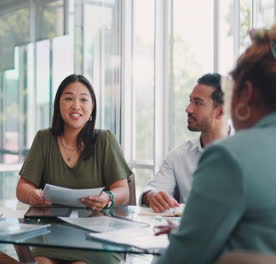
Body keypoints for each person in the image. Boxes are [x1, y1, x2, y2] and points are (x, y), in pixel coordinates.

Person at [155, 25, 276, 263]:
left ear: (247, 93)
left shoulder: (231, 157)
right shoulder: (182, 154)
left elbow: (181, 259)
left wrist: (186, 241)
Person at [16, 74, 132, 264]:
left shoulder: (105, 140)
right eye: (69, 98)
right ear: (58, 104)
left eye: (83, 99)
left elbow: (123, 191)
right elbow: (22, 188)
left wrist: (107, 198)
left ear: (92, 106)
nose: (76, 106)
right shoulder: (44, 139)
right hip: (52, 232)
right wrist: (32, 195)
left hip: (97, 234)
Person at [140, 73, 230, 212]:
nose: (188, 109)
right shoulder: (178, 156)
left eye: (198, 103)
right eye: (190, 101)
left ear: (220, 112)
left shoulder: (250, 155)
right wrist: (152, 196)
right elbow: (153, 190)